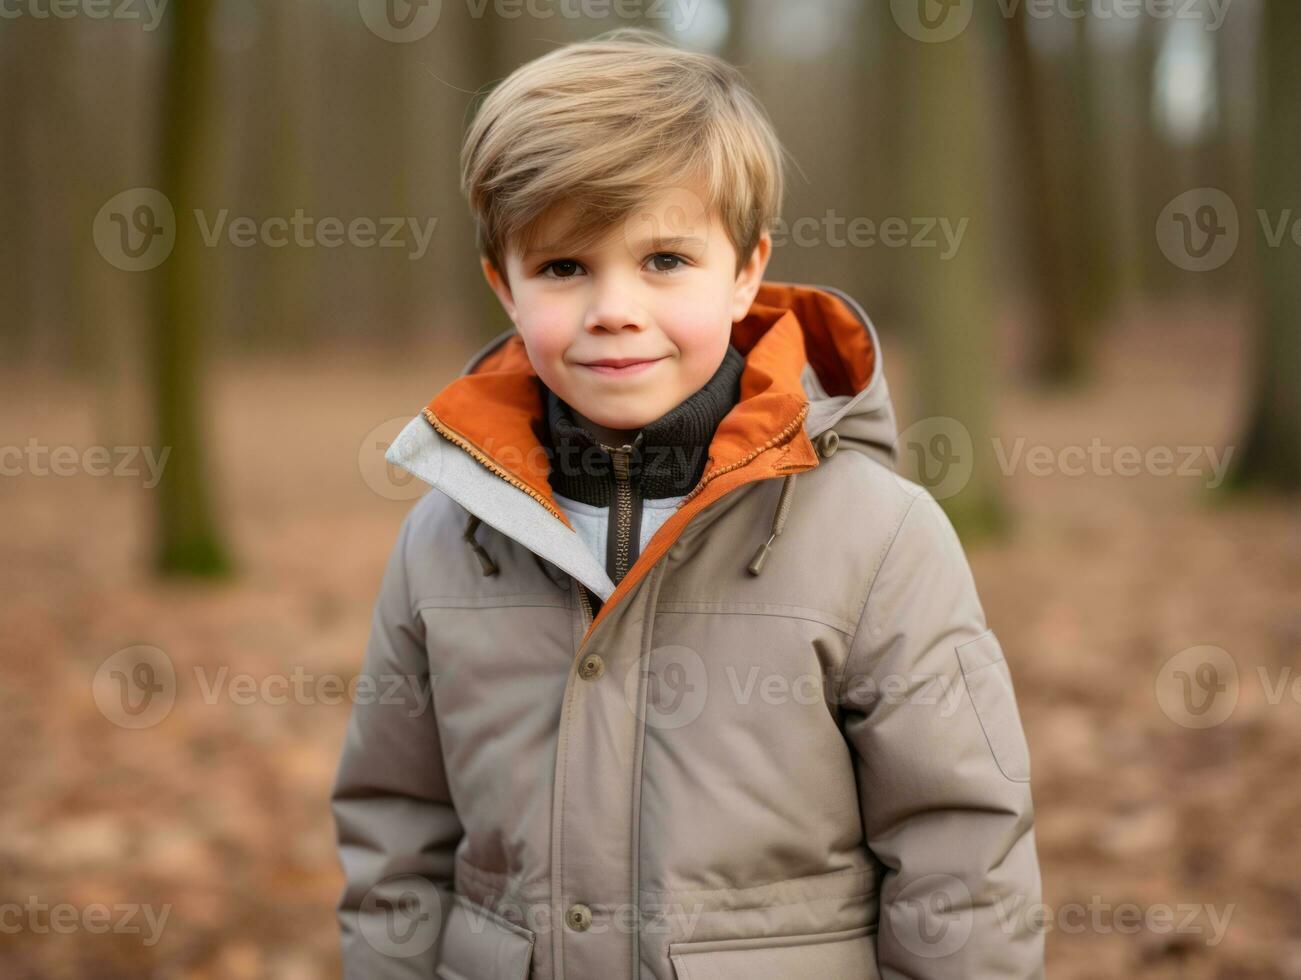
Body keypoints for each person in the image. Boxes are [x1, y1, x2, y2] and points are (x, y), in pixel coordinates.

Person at [331, 27, 1043, 980]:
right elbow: (395, 839)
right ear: (503, 284)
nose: (614, 307)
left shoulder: (877, 536)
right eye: (563, 267)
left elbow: (960, 852)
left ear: (746, 270)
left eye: (664, 260)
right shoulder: (446, 541)